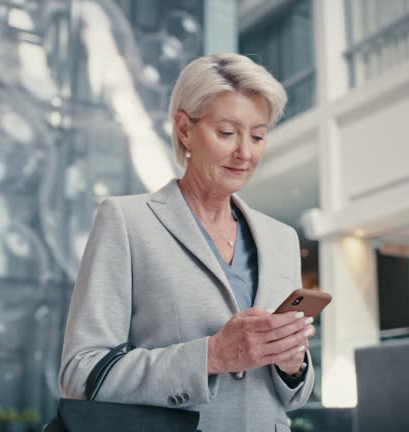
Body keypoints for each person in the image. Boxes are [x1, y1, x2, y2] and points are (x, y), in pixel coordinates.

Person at [58, 53, 315, 431]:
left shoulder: (282, 239)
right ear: (184, 128)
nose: (245, 152)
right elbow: (81, 372)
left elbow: (295, 395)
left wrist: (293, 364)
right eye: (227, 133)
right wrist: (210, 356)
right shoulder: (126, 221)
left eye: (258, 135)